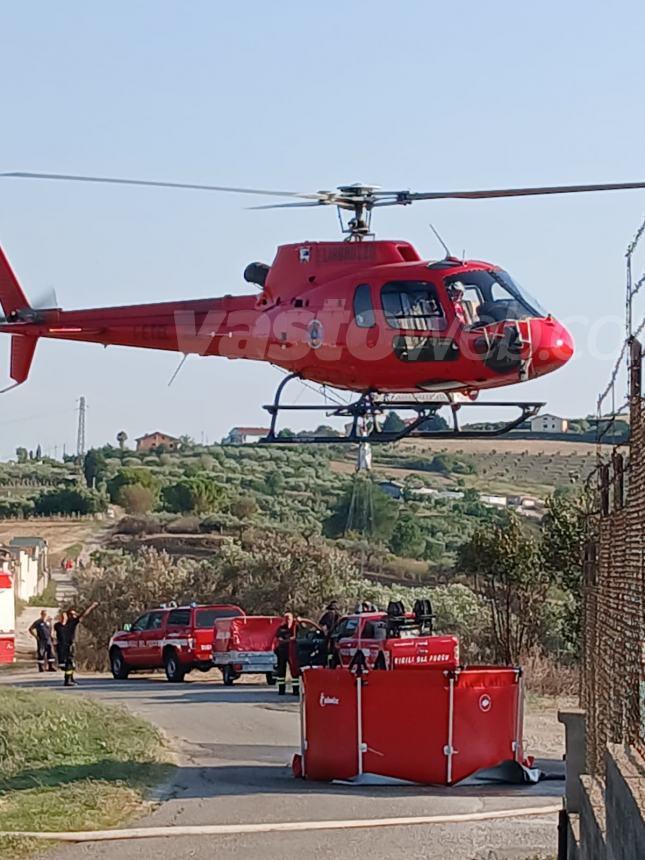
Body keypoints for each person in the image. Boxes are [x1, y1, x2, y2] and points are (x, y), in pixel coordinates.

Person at [60, 602, 99, 687]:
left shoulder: (67, 624)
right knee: (69, 663)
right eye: (73, 614)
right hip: (70, 645)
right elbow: (83, 615)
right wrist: (91, 606)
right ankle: (68, 680)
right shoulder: (72, 622)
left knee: (71, 663)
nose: (75, 615)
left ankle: (71, 678)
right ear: (70, 615)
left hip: (69, 644)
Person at [274, 612, 298, 697]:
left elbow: (298, 637)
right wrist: (289, 640)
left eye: (289, 619)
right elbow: (279, 638)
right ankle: (281, 690)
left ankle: (296, 691)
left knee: (294, 671)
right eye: (286, 618)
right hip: (282, 652)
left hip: (293, 652)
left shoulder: (296, 627)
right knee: (281, 671)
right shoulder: (281, 628)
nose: (288, 620)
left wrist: (288, 640)